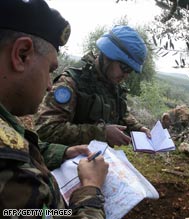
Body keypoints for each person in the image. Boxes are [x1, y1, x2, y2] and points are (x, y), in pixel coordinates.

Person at [0, 0, 108, 218]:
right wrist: (90, 187)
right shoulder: (12, 171)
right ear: (22, 54)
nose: (50, 84)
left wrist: (63, 152)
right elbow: (48, 127)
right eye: (49, 69)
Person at [34, 25, 151, 148]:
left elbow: (122, 115)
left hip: (98, 161)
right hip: (64, 162)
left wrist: (138, 128)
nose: (126, 75)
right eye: (125, 68)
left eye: (130, 71)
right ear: (107, 56)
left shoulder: (113, 86)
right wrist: (101, 133)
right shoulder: (71, 83)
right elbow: (46, 129)